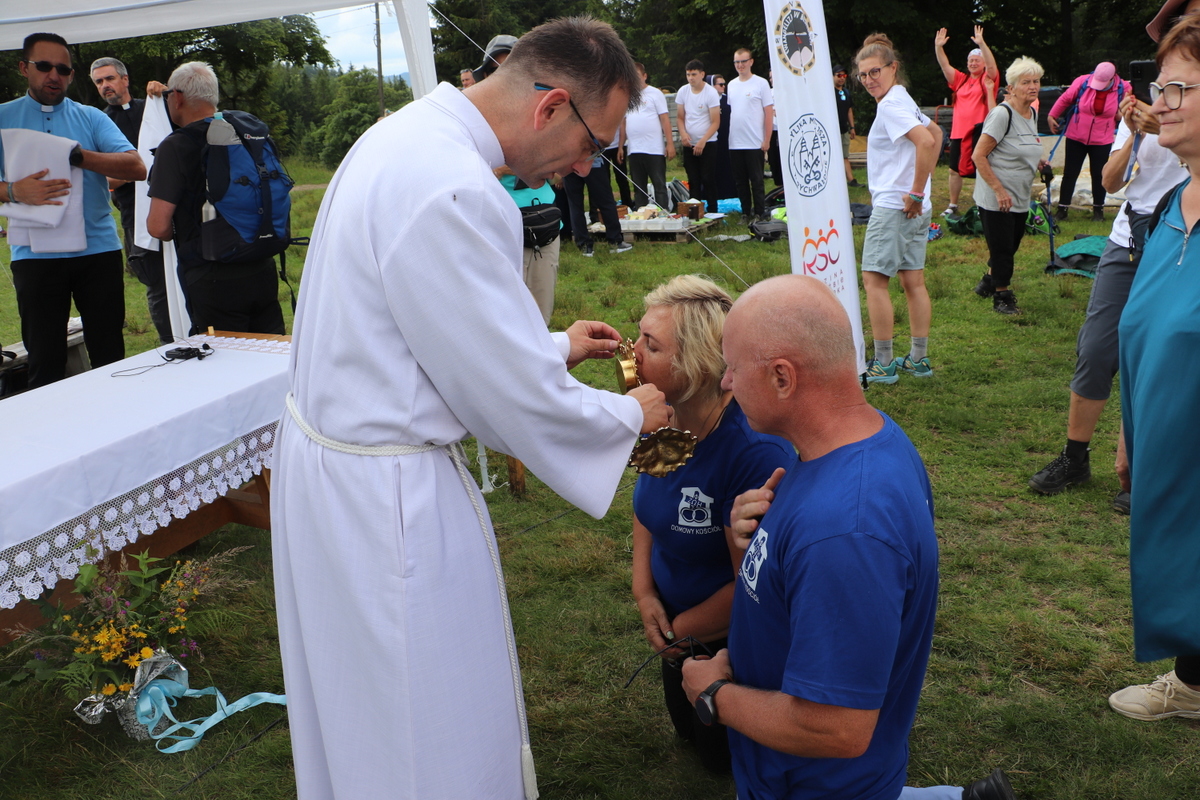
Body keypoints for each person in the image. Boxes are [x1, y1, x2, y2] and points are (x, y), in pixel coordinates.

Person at [270, 17, 671, 800]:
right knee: (425, 719)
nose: (587, 166)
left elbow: (418, 328)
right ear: (550, 106)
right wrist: (630, 419)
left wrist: (551, 345)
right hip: (390, 499)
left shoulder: (402, 136)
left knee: (360, 711)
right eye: (594, 144)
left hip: (335, 473)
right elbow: (508, 396)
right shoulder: (457, 187)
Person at [680, 274, 1017, 800]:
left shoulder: (843, 529)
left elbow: (835, 727)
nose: (725, 382)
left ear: (783, 378)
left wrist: (716, 695)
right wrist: (760, 545)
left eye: (734, 367)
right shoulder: (863, 438)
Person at [630, 275, 793, 773]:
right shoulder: (664, 415)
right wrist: (643, 590)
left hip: (729, 639)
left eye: (651, 344)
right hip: (677, 632)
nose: (632, 352)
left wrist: (678, 632)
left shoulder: (750, 452)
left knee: (721, 762)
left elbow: (751, 582)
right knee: (689, 736)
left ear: (696, 365)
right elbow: (647, 507)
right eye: (638, 335)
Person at [1029, 39, 1189, 507]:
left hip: (1177, 237)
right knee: (1096, 347)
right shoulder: (1144, 111)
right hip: (1127, 237)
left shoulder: (1186, 113)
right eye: (1161, 81)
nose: (1163, 93)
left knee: (1158, 353)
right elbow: (1110, 181)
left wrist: (1167, 129)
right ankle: (1074, 457)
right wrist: (1135, 133)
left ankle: (1143, 467)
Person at [1107, 12, 1200, 723]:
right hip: (1165, 440)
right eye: (1160, 87)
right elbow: (1145, 329)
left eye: (1178, 88)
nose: (1159, 103)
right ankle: (1195, 682)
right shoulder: (1172, 203)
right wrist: (1129, 430)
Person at [0, 33, 145, 389]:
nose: (54, 75)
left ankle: (116, 420)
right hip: (33, 255)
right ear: (24, 68)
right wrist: (14, 191)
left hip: (97, 252)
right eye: (44, 66)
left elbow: (136, 167)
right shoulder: (3, 117)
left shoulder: (91, 117)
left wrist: (79, 156)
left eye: (62, 69)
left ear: (72, 75)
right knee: (45, 361)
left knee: (110, 357)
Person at [146, 62, 285, 336]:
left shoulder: (175, 145)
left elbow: (158, 227)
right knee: (270, 351)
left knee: (223, 358)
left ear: (178, 97)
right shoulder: (245, 134)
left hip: (211, 277)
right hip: (261, 265)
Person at [857, 34, 942, 383]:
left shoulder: (891, 105)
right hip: (913, 208)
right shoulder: (900, 97)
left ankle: (884, 363)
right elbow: (936, 132)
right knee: (913, 282)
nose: (868, 80)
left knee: (874, 282)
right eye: (863, 75)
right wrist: (921, 191)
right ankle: (918, 359)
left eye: (875, 71)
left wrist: (917, 191)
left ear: (893, 68)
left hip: (896, 206)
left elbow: (926, 140)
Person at [89, 56, 174, 344]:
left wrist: (164, 92)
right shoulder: (99, 123)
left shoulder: (152, 108)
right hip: (134, 214)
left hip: (173, 207)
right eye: (99, 82)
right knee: (156, 283)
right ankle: (170, 343)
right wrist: (135, 170)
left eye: (109, 78)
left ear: (125, 79)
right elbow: (103, 179)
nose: (105, 85)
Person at [970, 57, 1051, 316]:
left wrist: (1039, 161)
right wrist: (998, 190)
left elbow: (1022, 145)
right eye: (1026, 82)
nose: (1033, 86)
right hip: (997, 196)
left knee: (1010, 244)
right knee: (1003, 248)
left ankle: (988, 281)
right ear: (1011, 88)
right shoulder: (1001, 114)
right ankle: (1002, 296)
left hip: (1019, 193)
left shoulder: (1032, 113)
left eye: (1036, 81)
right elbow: (978, 155)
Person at [1048, 62, 1132, 222]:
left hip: (1102, 139)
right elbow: (1065, 98)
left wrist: (1120, 115)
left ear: (1112, 79)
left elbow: (1127, 112)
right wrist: (1052, 115)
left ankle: (1098, 211)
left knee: (1099, 174)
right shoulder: (1082, 82)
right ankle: (1062, 209)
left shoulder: (1123, 88)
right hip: (1076, 135)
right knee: (1070, 172)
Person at [934, 26, 1000, 218]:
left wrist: (981, 44)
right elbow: (945, 66)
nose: (973, 63)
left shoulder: (987, 80)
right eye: (970, 60)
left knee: (982, 170)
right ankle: (953, 204)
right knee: (953, 170)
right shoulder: (960, 80)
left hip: (979, 132)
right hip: (958, 133)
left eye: (977, 60)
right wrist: (939, 47)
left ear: (983, 63)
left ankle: (982, 205)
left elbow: (992, 67)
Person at [496, 165, 560, 322]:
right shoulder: (486, 152)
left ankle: (542, 333)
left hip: (546, 226)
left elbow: (558, 178)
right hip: (505, 228)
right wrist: (501, 170)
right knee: (508, 296)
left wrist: (542, 166)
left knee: (543, 293)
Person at [727, 49, 774, 222]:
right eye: (737, 62)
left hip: (755, 141)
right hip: (736, 141)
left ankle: (759, 212)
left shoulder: (761, 83)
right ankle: (745, 212)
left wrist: (766, 139)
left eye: (743, 61)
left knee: (757, 180)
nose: (740, 65)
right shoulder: (732, 85)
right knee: (740, 181)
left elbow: (768, 113)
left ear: (751, 62)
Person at [622, 62, 675, 209]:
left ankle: (663, 212)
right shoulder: (627, 95)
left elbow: (665, 119)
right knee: (639, 187)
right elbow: (624, 122)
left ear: (644, 76)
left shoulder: (655, 94)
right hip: (634, 149)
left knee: (659, 185)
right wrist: (621, 146)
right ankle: (642, 214)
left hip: (654, 149)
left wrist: (670, 143)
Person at [676, 60, 721, 214]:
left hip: (708, 142)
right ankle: (695, 212)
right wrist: (683, 134)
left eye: (694, 74)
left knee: (708, 178)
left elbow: (715, 122)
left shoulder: (710, 93)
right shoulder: (683, 91)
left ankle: (713, 211)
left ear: (702, 74)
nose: (691, 78)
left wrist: (703, 141)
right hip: (689, 143)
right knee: (693, 179)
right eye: (688, 75)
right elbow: (680, 117)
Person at [711, 73, 737, 201]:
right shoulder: (709, 100)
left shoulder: (728, 99)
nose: (723, 87)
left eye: (724, 84)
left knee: (728, 166)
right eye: (720, 84)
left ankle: (730, 193)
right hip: (713, 137)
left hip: (727, 137)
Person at [834, 64, 861, 187]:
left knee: (845, 155)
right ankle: (837, 181)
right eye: (838, 75)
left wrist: (852, 127)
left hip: (844, 129)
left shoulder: (846, 92)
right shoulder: (829, 92)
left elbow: (849, 110)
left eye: (844, 76)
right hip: (833, 130)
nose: (841, 78)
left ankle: (851, 180)